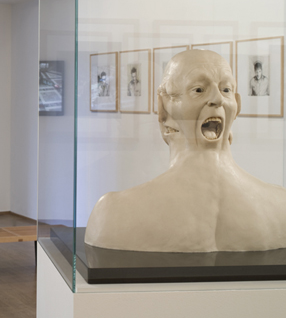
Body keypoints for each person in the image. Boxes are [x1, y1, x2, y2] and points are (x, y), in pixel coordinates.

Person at [85, 50, 286, 253]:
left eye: (226, 89)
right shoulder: (281, 207)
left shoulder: (112, 214)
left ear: (237, 106)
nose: (218, 99)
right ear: (165, 107)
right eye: (199, 90)